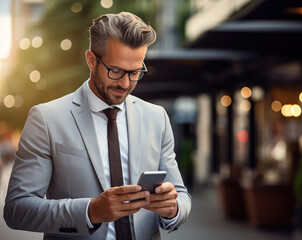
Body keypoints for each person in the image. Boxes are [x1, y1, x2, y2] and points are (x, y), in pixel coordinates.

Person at [4, 12, 191, 240]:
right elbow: (17, 209)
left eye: (135, 73)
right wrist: (90, 211)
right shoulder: (46, 118)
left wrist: (173, 209)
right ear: (91, 60)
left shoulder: (157, 117)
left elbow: (181, 196)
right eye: (116, 71)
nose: (125, 83)